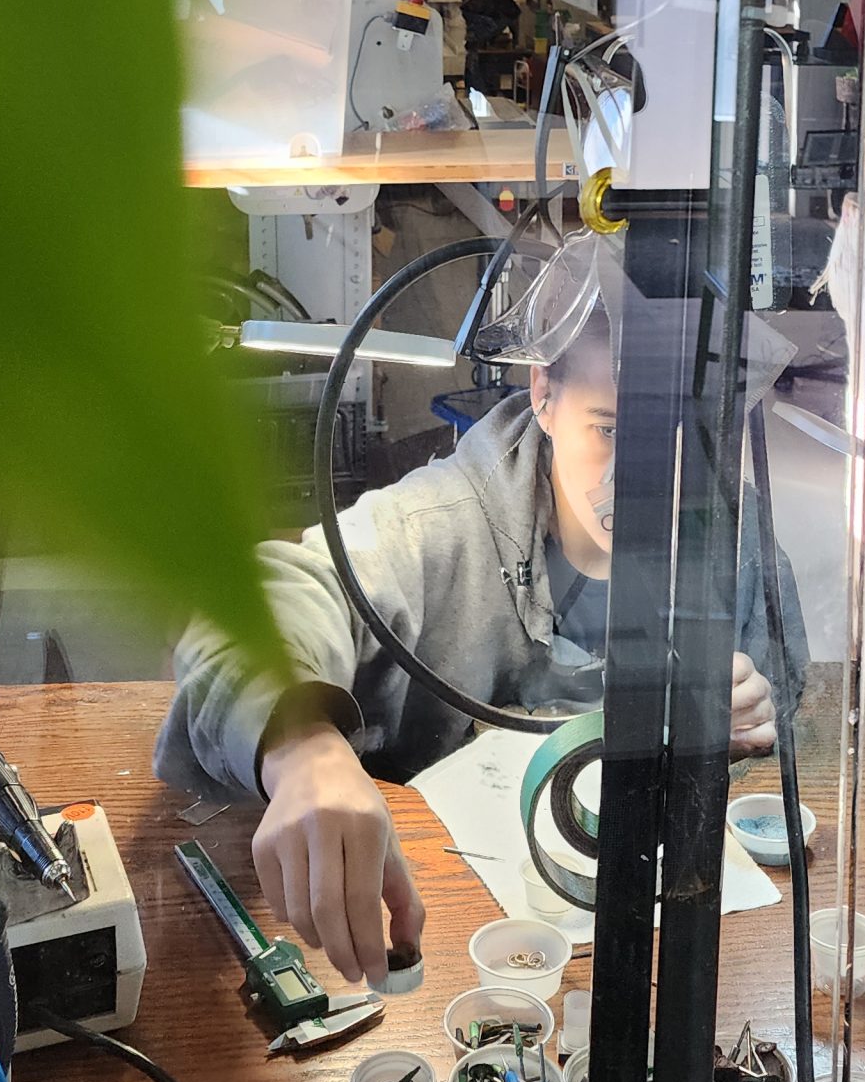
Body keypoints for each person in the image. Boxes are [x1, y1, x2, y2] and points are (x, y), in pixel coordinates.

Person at [154, 313, 807, 989]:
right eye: (609, 429)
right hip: (453, 944)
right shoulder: (434, 524)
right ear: (544, 396)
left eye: (676, 440)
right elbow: (257, 610)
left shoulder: (731, 534)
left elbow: (798, 718)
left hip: (660, 945)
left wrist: (746, 721)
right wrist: (302, 748)